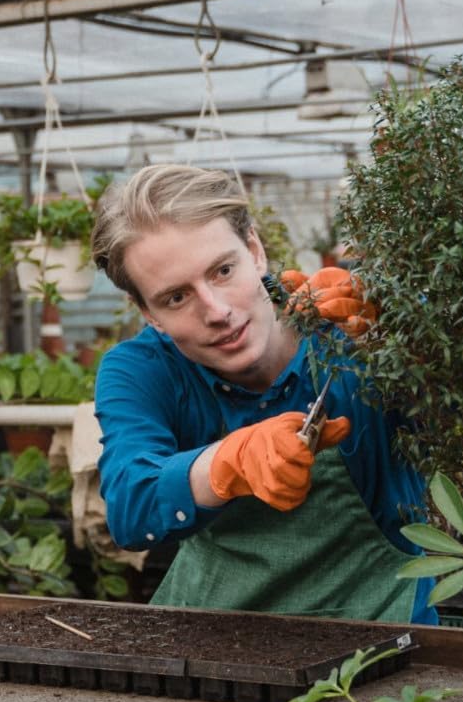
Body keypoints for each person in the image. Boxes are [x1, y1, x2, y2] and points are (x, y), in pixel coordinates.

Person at [90, 163, 437, 624]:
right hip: (214, 645)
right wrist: (226, 463)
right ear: (147, 313)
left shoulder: (354, 330)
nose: (216, 311)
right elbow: (131, 511)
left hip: (382, 639)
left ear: (254, 251)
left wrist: (413, 328)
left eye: (223, 270)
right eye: (176, 297)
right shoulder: (143, 370)